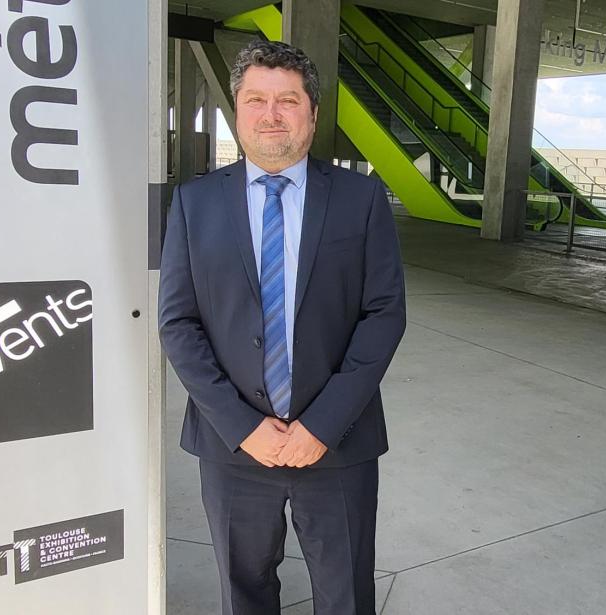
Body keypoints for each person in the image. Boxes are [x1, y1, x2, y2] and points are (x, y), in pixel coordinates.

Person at [158, 40, 406, 615]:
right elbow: (179, 322)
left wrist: (320, 425)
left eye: (287, 101)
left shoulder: (362, 200)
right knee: (243, 594)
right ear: (237, 111)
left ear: (313, 114)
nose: (271, 115)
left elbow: (383, 315)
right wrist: (244, 427)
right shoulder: (195, 204)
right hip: (233, 446)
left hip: (337, 443)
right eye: (255, 100)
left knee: (346, 596)